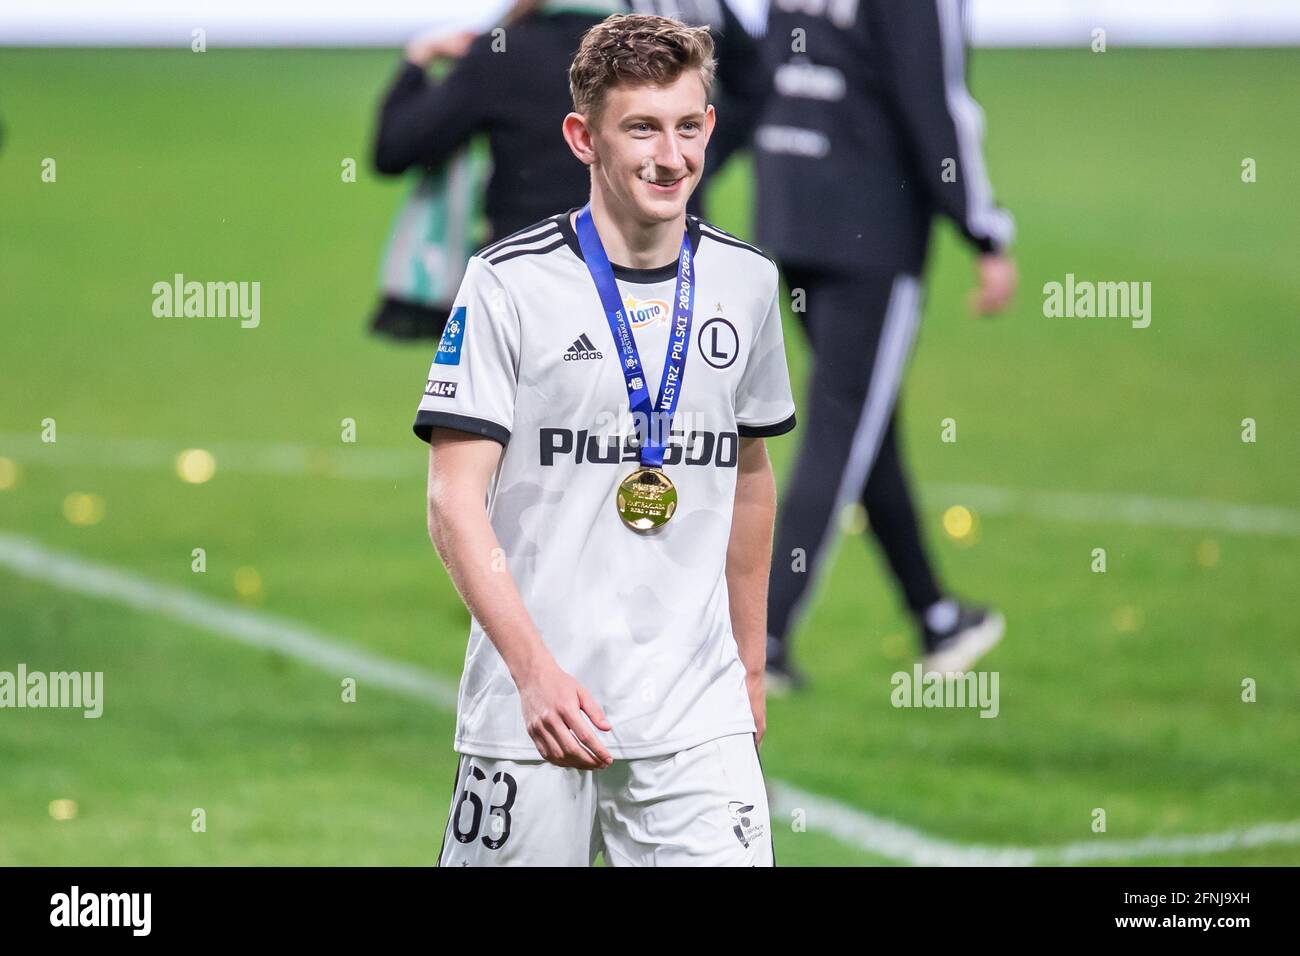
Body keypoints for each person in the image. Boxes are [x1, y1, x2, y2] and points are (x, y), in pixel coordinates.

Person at [413, 13, 796, 866]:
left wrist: (747, 667)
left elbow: (751, 478)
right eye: (643, 129)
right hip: (531, 713)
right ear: (584, 138)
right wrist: (534, 674)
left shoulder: (747, 283)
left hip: (695, 720)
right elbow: (452, 500)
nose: (672, 157)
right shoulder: (507, 284)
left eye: (689, 126)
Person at [755, 0, 1017, 685]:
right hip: (869, 219)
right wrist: (984, 230)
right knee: (843, 426)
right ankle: (765, 636)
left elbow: (773, 62)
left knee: (866, 424)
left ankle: (934, 616)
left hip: (790, 207)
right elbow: (935, 103)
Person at [371, 0, 768, 339]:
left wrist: (416, 60)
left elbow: (396, 149)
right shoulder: (658, 60)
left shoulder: (502, 54)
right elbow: (756, 83)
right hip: (664, 282)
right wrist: (689, 165)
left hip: (531, 291)